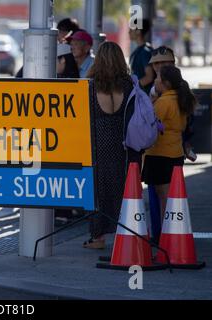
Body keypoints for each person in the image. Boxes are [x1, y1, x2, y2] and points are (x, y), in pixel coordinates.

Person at [83, 42, 141, 249]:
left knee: (98, 190)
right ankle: (125, 232)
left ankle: (97, 237)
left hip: (97, 145)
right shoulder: (128, 84)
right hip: (123, 145)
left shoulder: (90, 85)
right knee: (122, 188)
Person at [142, 65, 197, 217]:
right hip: (175, 152)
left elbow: (150, 123)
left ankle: (167, 232)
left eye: (157, 78)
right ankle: (170, 230)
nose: (155, 81)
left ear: (165, 83)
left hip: (160, 154)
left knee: (164, 195)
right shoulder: (179, 99)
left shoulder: (164, 102)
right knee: (170, 194)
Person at [129, 18, 155, 94]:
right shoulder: (139, 50)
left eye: (131, 29)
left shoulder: (145, 51)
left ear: (138, 31)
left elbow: (149, 77)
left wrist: (132, 87)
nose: (129, 32)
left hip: (145, 96)